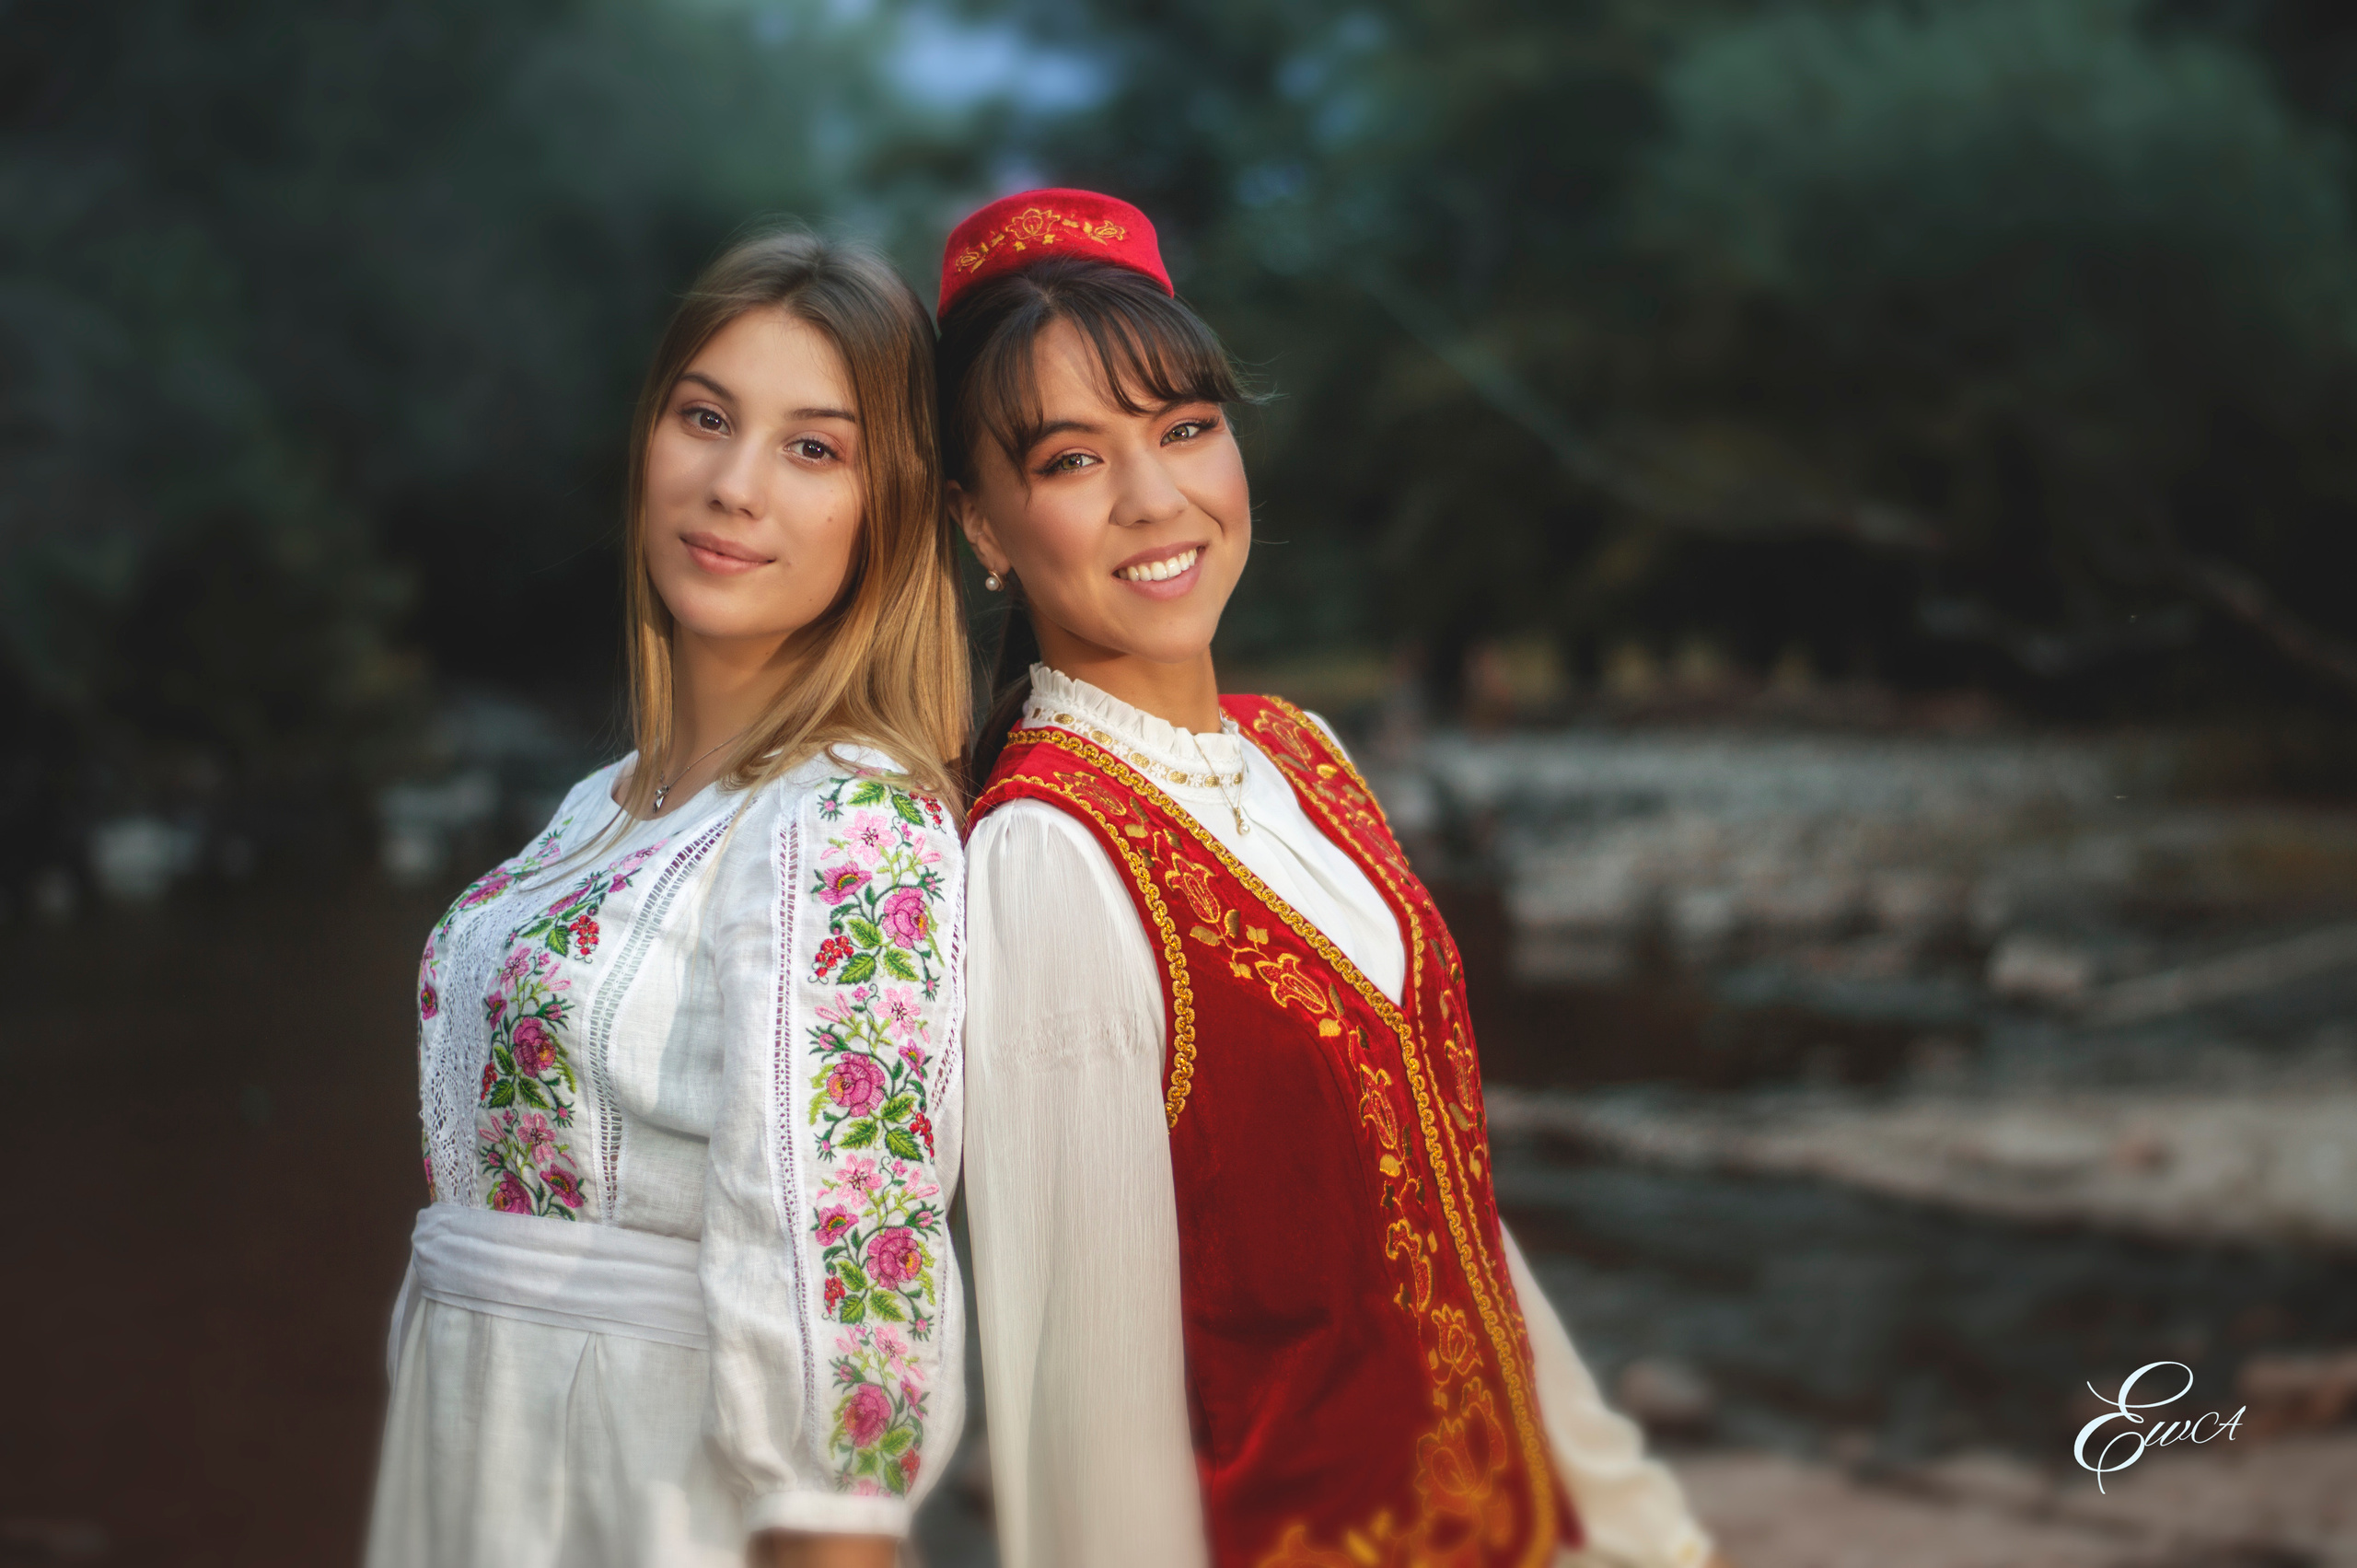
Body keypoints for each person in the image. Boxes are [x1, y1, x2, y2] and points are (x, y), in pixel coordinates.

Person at [947, 190, 1723, 1568]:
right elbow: (1090, 1418)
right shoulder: (1047, 858)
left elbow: (1455, 1208)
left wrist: (1636, 1518)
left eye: (1186, 430)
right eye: (1073, 460)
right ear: (985, 528)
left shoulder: (1300, 751)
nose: (1155, 498)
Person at [366, 230, 970, 1568]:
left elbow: (850, 1334)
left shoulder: (853, 822)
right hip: (482, 1472)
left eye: (815, 448)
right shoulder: (601, 803)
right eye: (705, 417)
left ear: (895, 510)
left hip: (653, 1495)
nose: (733, 486)